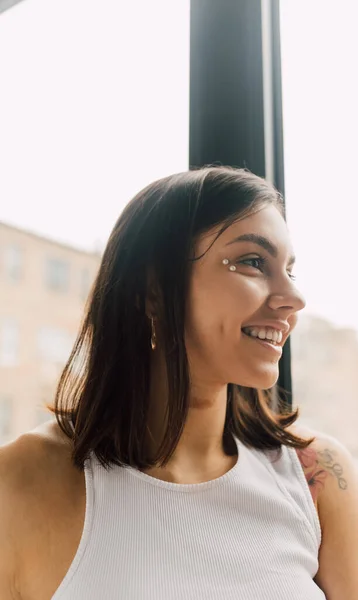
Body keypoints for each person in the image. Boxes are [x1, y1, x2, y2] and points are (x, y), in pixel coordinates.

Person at [0, 166, 357, 600]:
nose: (294, 298)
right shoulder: (22, 480)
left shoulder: (318, 477)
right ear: (151, 290)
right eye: (252, 262)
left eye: (289, 269)